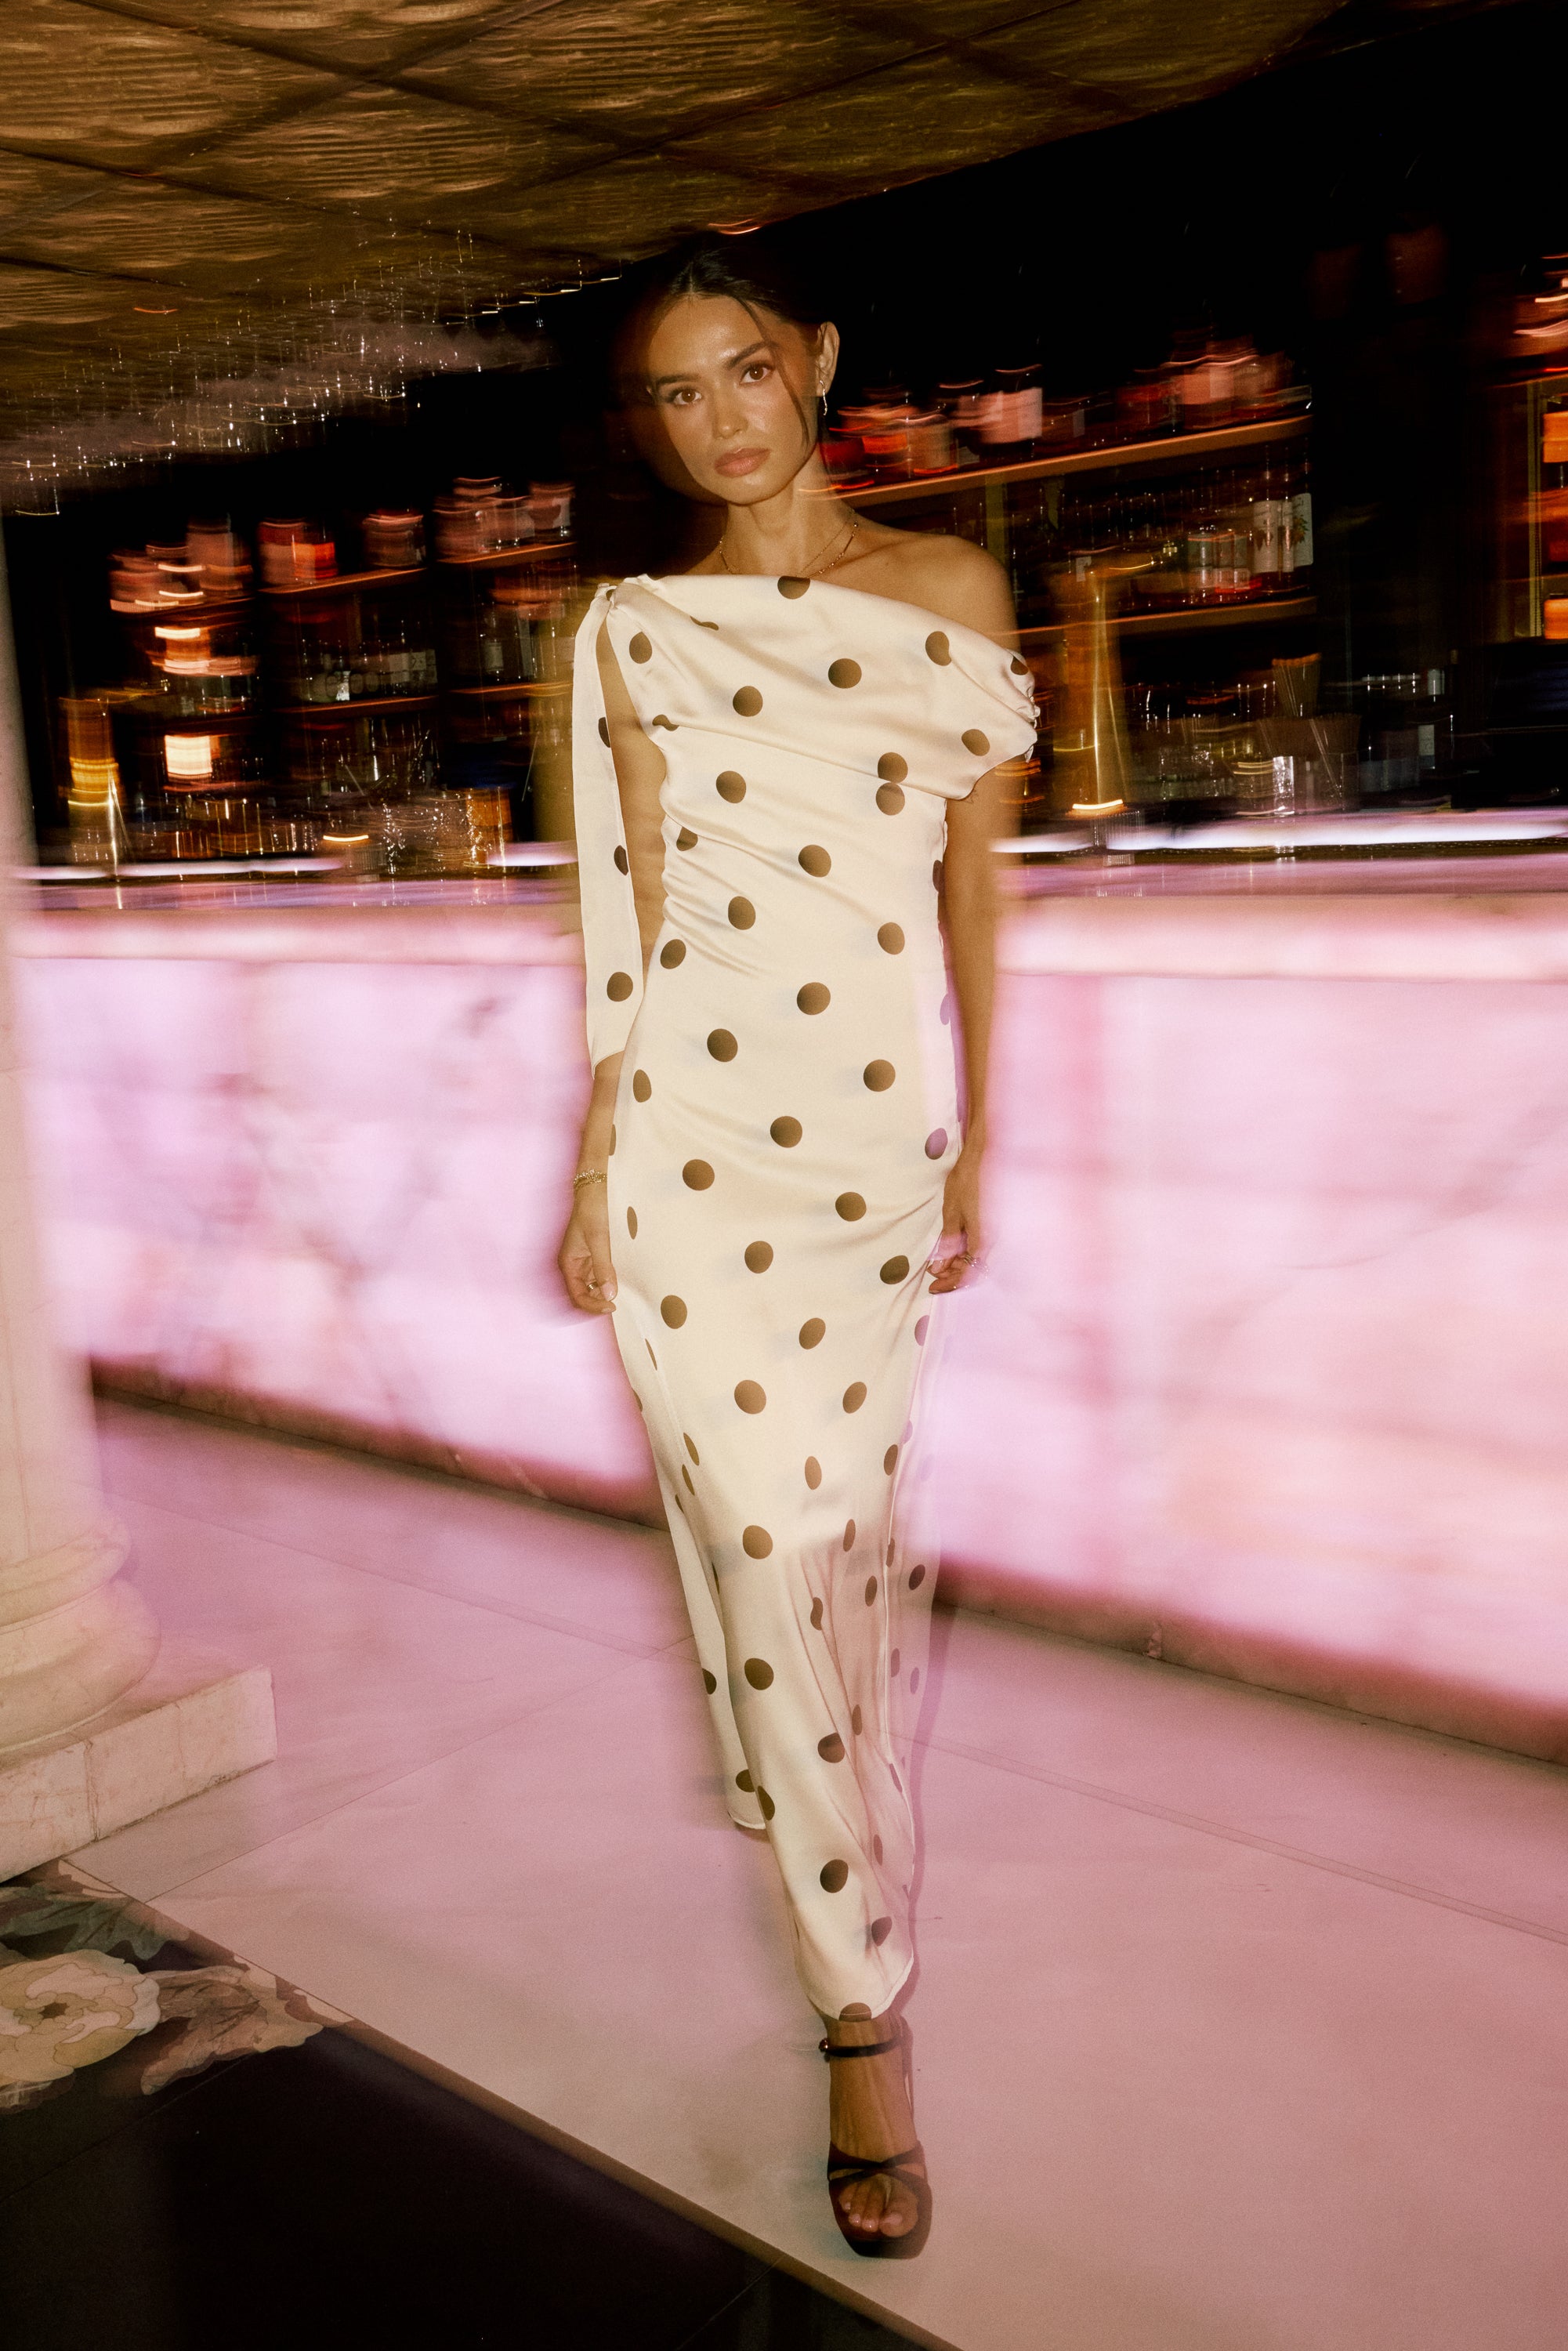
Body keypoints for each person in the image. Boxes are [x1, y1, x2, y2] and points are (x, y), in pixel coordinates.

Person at [557, 237, 1036, 2257]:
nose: (718, 422)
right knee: (765, 1542)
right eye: (677, 393)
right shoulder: (631, 627)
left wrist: (984, 1126)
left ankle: (796, 1776)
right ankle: (862, 2013)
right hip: (691, 1146)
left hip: (862, 1145)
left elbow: (978, 887)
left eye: (743, 370)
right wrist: (595, 1154)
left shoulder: (950, 593)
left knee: (829, 1538)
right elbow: (628, 905)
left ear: (817, 361)